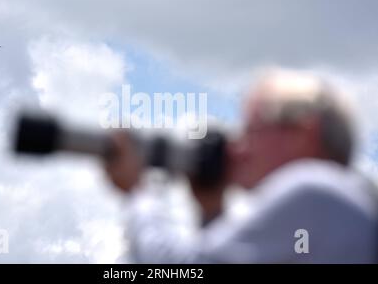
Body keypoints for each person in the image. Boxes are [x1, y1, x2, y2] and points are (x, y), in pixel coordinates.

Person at [104, 71, 378, 263]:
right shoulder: (347, 204)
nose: (237, 148)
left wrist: (138, 192)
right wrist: (212, 212)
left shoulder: (312, 188)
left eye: (251, 131)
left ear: (303, 133)